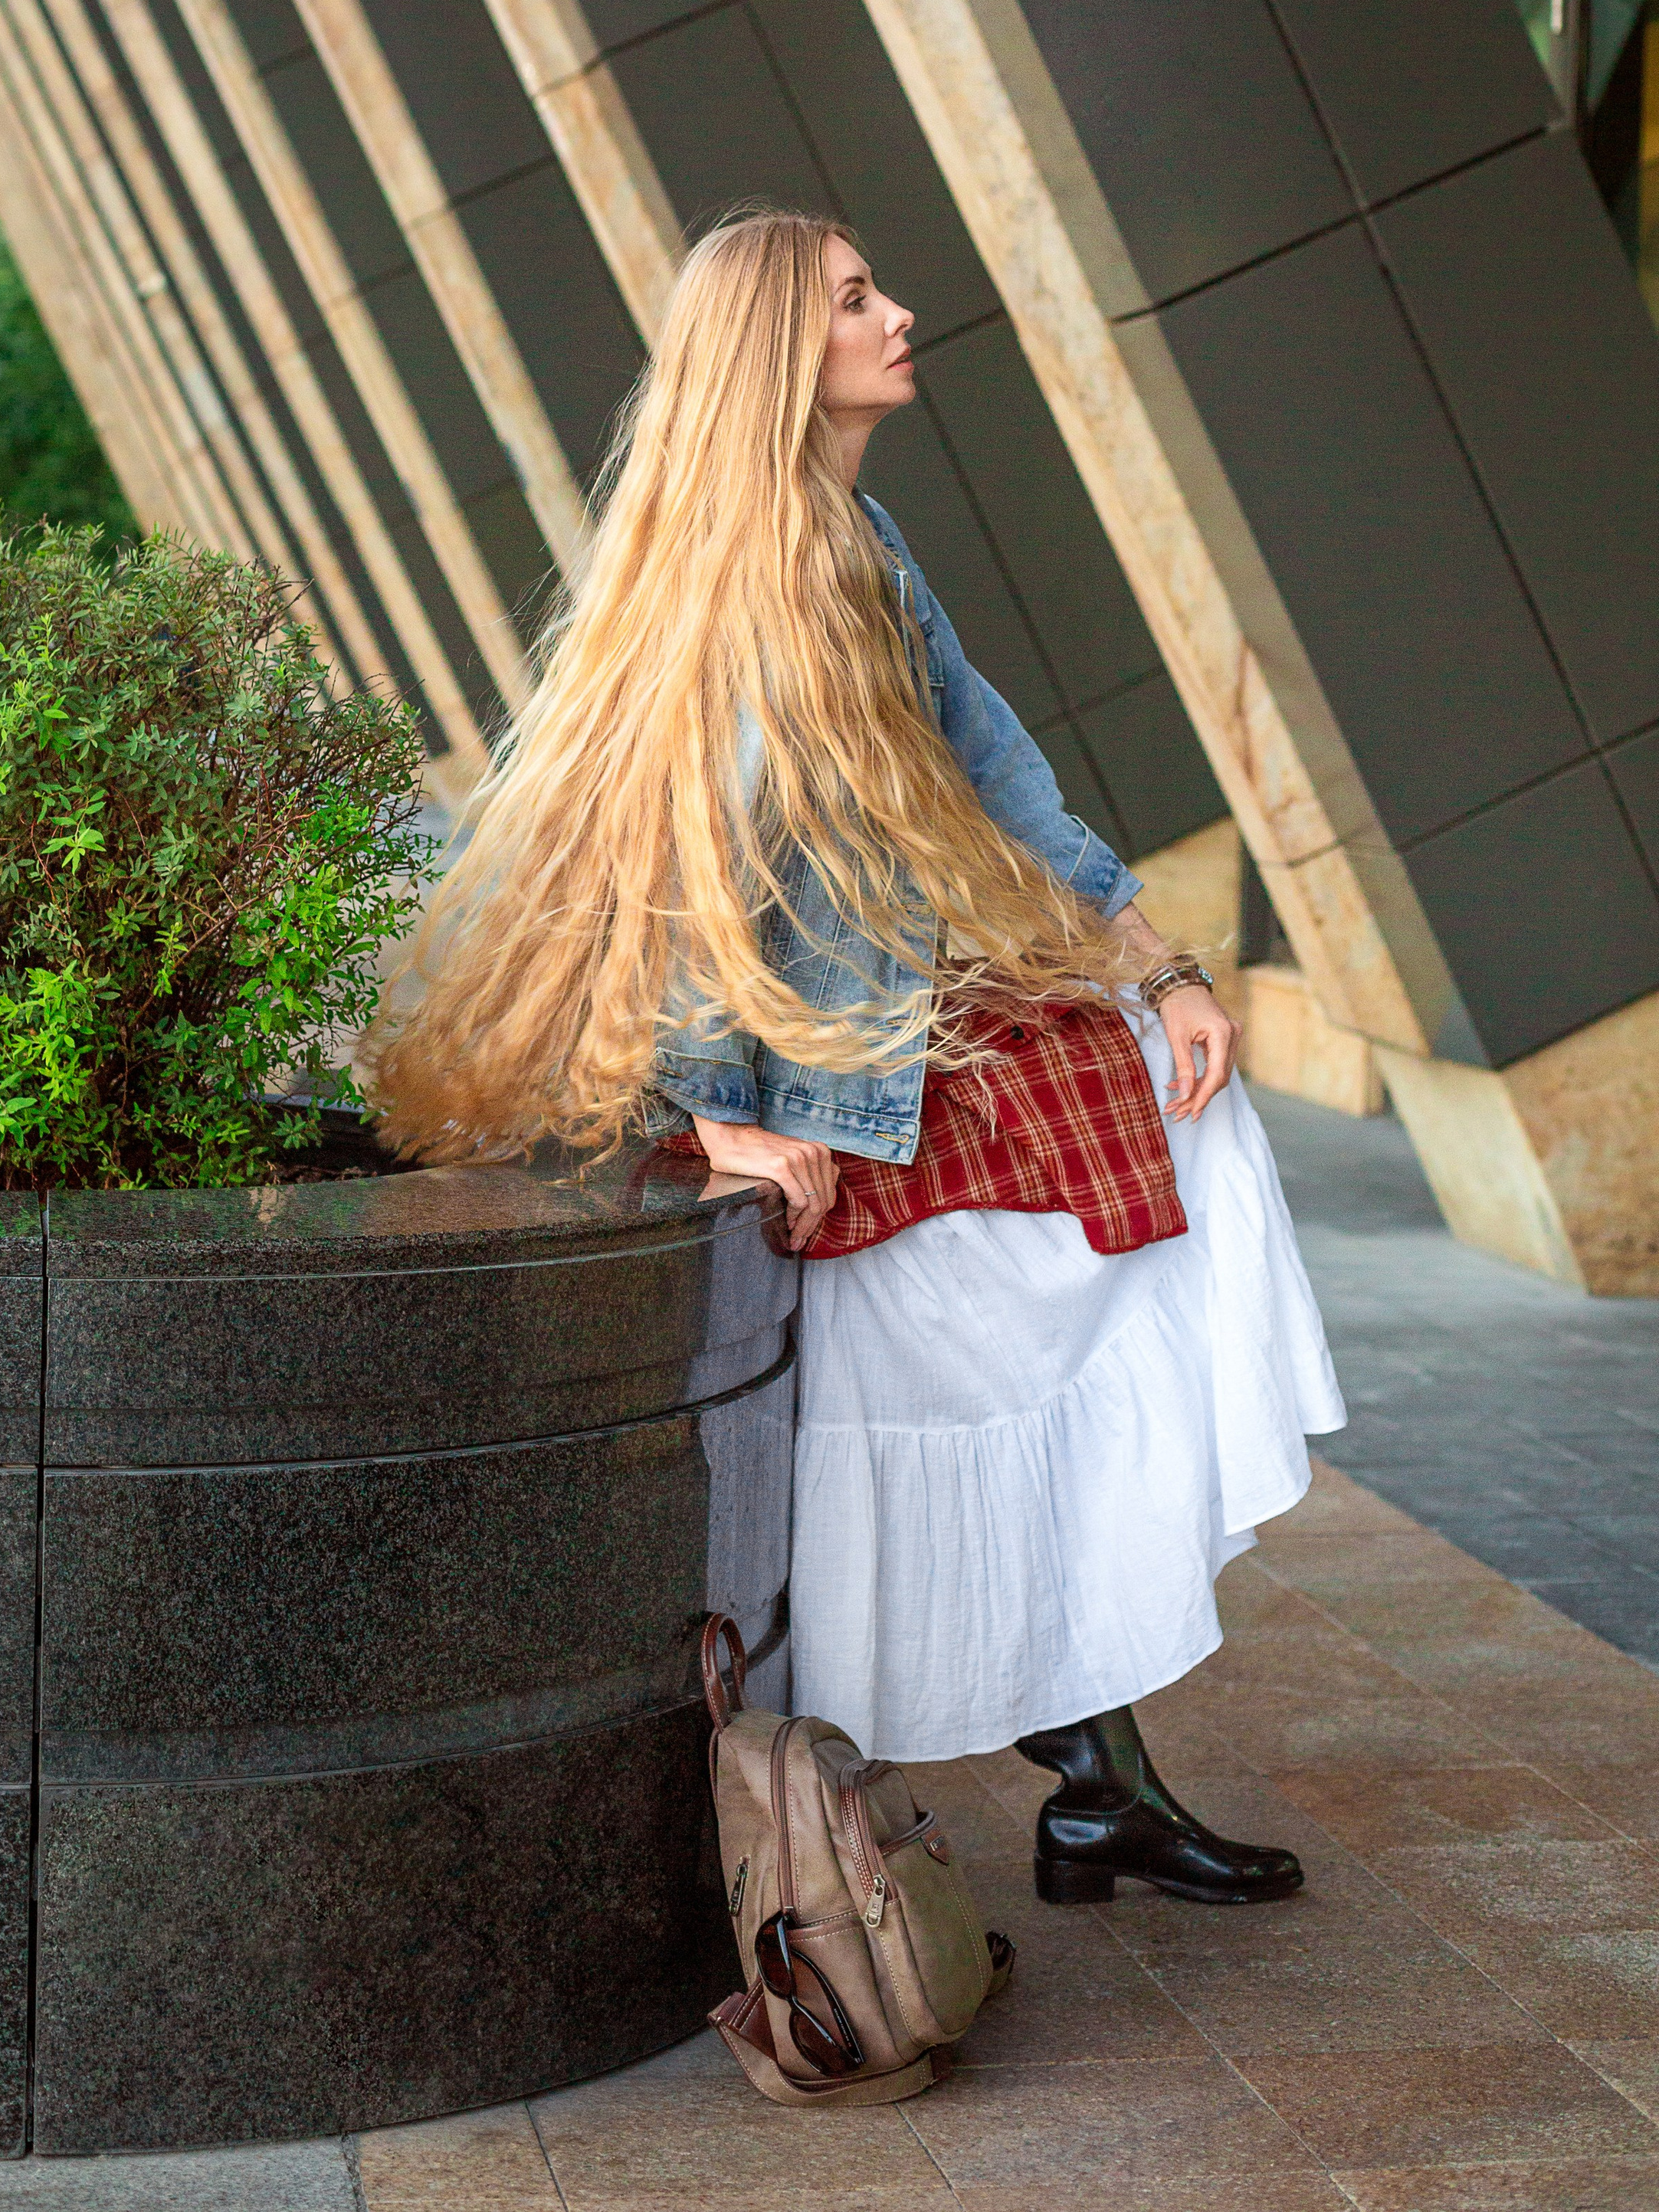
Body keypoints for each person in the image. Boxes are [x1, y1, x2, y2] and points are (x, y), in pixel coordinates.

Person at [370, 208, 1345, 1907]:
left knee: (1165, 1145)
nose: (897, 315)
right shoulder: (748, 578)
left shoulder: (855, 534)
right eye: (852, 300)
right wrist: (708, 1118)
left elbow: (998, 776)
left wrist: (1161, 963)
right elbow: (682, 858)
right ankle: (1047, 1786)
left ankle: (1096, 1776)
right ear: (778, 352)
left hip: (896, 1027)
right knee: (985, 1377)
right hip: (827, 1080)